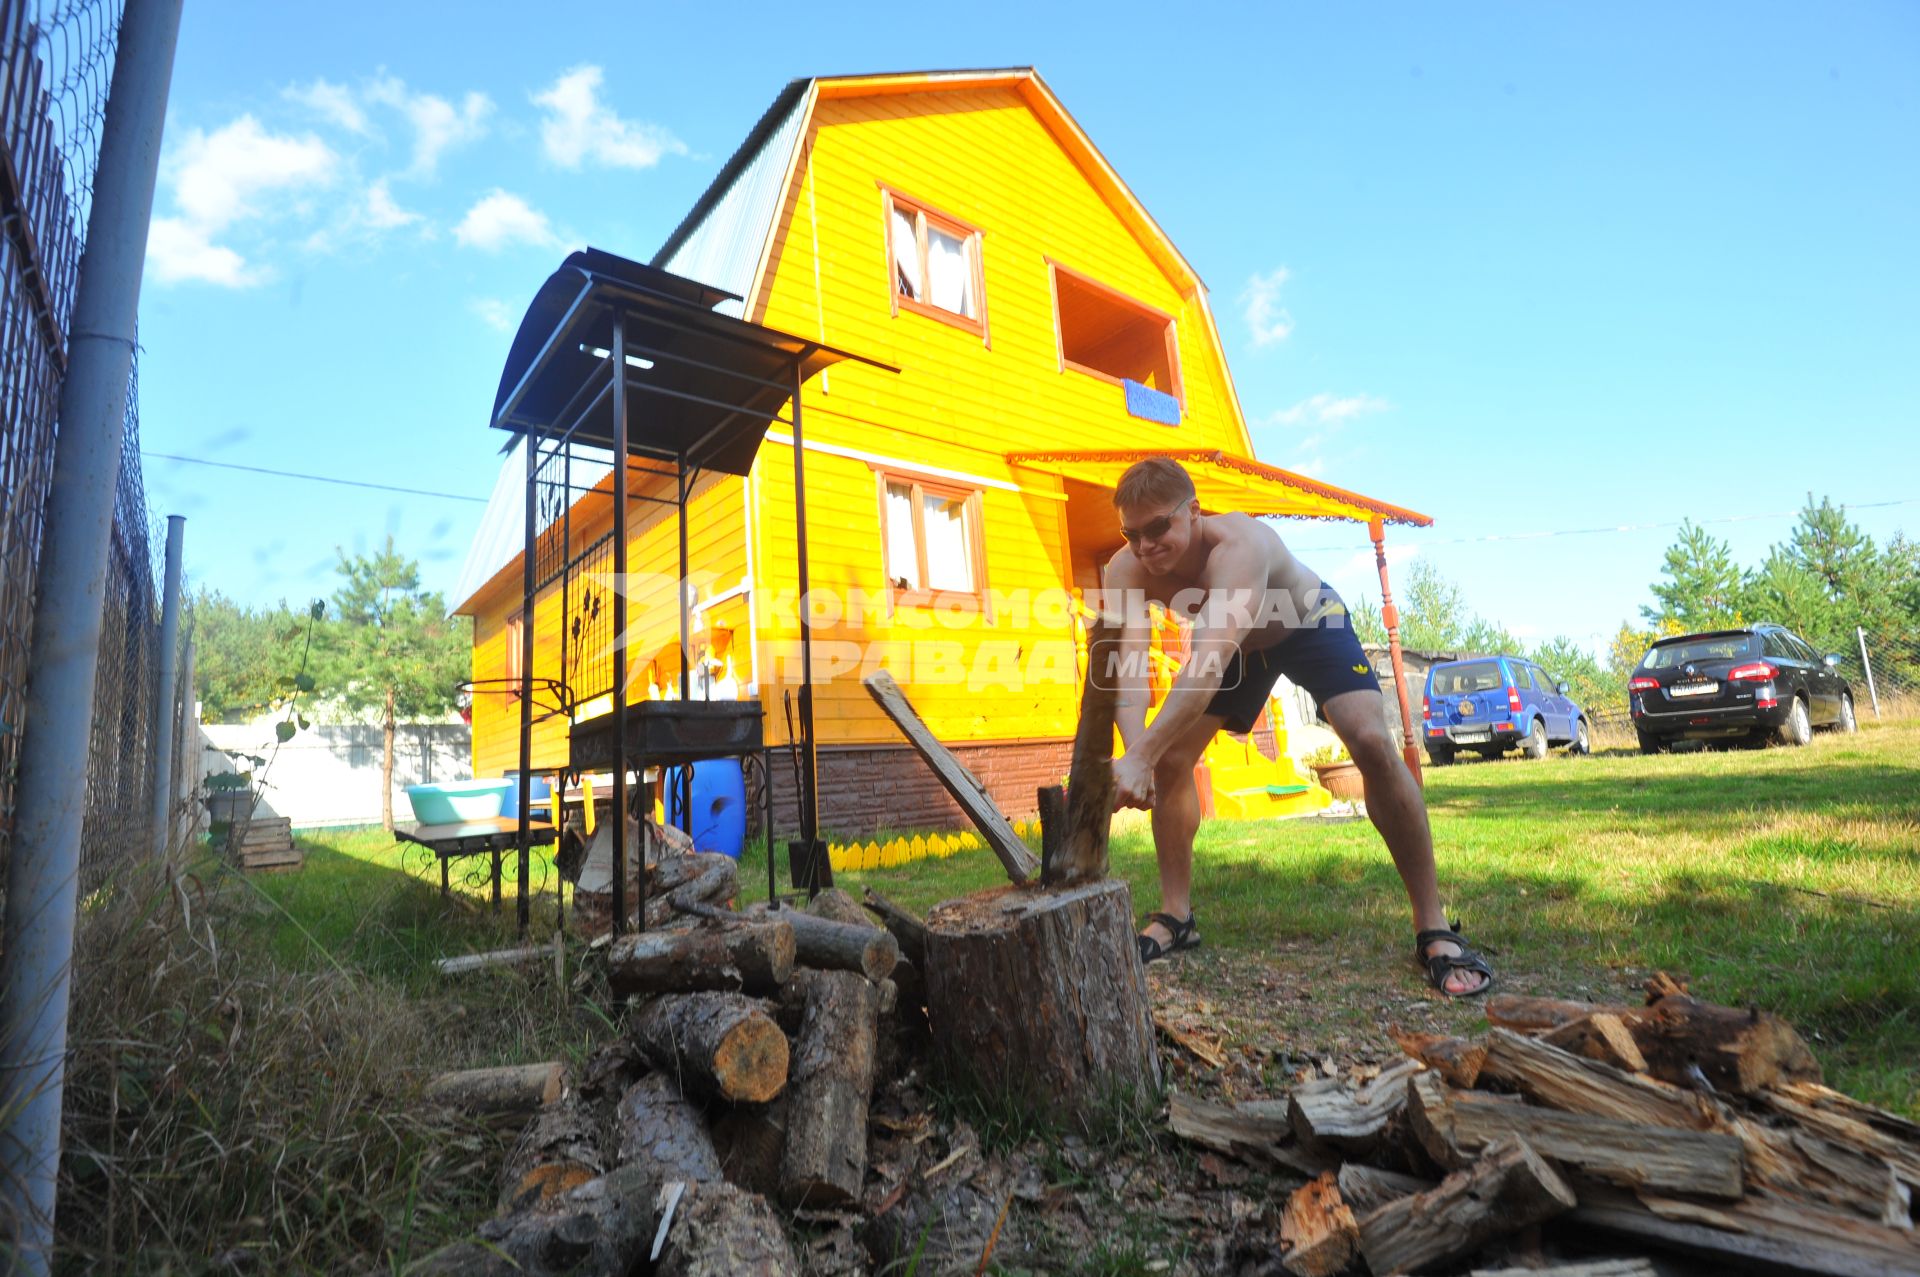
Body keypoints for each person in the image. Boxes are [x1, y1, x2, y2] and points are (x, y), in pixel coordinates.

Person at [1101, 457, 1491, 997]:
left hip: (1308, 622)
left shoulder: (1241, 545)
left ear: (1193, 512)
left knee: (1371, 741)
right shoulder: (1124, 571)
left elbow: (1207, 661)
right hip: (1237, 648)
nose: (1144, 546)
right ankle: (1176, 917)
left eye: (1158, 528)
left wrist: (1141, 754)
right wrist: (1135, 754)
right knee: (1170, 760)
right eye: (1131, 533)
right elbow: (1124, 672)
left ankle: (1434, 926)